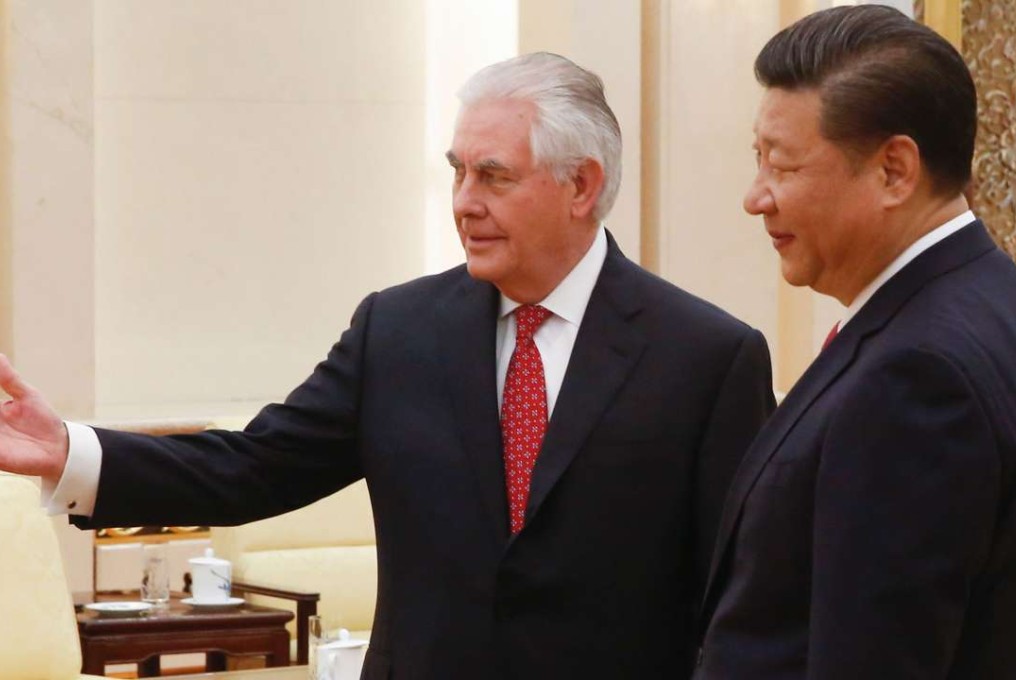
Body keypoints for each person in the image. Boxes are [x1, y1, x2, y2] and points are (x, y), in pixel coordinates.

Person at [0, 53, 775, 679]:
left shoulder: (706, 357)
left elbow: (744, 595)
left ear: (582, 186)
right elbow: (254, 465)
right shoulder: (398, 331)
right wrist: (73, 452)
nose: (464, 201)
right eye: (457, 171)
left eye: (494, 176)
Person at [693, 6, 1016, 679]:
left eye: (781, 166)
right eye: (758, 160)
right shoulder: (987, 299)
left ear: (894, 170)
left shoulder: (916, 375)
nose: (756, 198)